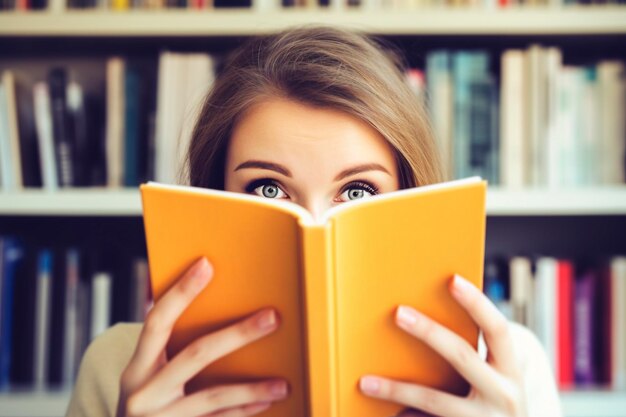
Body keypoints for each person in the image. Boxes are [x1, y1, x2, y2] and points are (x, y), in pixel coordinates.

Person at [66, 26, 561, 417]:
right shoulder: (117, 369)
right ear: (212, 197)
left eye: (358, 190)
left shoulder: (508, 375)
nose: (315, 225)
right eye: (268, 188)